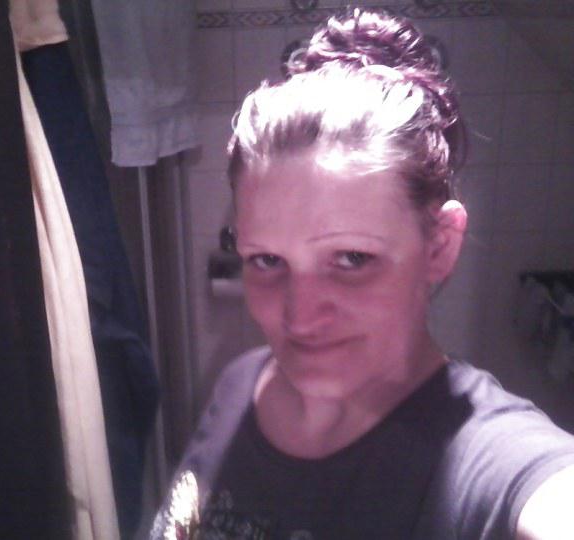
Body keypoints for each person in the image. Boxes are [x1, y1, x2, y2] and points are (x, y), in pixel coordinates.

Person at [151, 7, 574, 539]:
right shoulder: (240, 384)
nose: (300, 317)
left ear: (439, 246)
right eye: (267, 260)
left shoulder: (491, 461)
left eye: (352, 259)